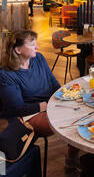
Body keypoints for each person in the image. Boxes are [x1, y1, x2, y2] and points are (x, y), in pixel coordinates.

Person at [0, 29, 79, 169]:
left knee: (81, 111)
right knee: (72, 122)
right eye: (32, 44)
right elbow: (15, 108)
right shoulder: (6, 74)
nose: (37, 47)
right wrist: (40, 106)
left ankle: (72, 156)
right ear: (18, 50)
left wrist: (65, 95)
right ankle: (71, 158)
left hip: (50, 104)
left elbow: (52, 80)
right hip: (28, 115)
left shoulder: (39, 58)